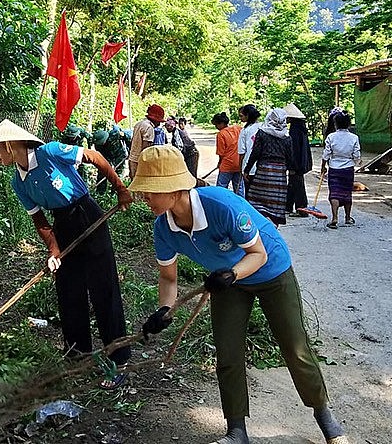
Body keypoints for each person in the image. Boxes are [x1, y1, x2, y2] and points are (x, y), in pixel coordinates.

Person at [130, 145, 349, 444]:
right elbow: (168, 277)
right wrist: (164, 310)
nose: (144, 197)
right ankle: (236, 432)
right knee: (228, 353)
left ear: (174, 188)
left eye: (151, 190)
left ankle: (326, 420)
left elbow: (257, 254)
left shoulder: (221, 206)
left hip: (270, 269)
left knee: (295, 348)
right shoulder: (163, 229)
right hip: (227, 281)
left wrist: (232, 274)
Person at [0, 120, 132, 386]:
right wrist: (54, 250)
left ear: (11, 145)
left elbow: (96, 157)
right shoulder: (18, 183)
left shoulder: (51, 152)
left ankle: (119, 358)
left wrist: (120, 189)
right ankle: (77, 357)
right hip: (62, 225)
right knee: (69, 292)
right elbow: (40, 221)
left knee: (103, 289)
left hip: (87, 215)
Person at [244, 108, 294, 227]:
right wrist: (289, 172)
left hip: (263, 172)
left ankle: (261, 225)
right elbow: (290, 158)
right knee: (275, 202)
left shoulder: (262, 133)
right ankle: (273, 227)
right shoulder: (287, 138)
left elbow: (255, 153)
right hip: (279, 174)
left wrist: (247, 170)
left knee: (257, 200)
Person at [321, 112, 361, 229]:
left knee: (334, 193)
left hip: (334, 168)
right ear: (348, 124)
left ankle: (334, 218)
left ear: (335, 124)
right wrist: (356, 161)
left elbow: (326, 154)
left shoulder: (331, 137)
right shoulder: (354, 138)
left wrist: (323, 166)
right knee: (347, 192)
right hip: (348, 169)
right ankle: (348, 218)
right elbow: (357, 155)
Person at [284, 104, 313, 216]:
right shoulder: (300, 128)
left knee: (297, 185)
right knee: (293, 184)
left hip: (297, 163)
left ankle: (302, 209)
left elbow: (295, 150)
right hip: (301, 162)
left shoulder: (295, 131)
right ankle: (289, 206)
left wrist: (292, 166)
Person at [129, 104, 165, 178]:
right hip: (140, 162)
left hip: (132, 159)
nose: (159, 124)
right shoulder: (149, 128)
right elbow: (146, 150)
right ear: (155, 119)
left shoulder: (139, 124)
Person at [212, 112, 242, 193]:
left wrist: (219, 163)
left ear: (221, 123)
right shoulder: (238, 129)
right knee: (239, 188)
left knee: (221, 188)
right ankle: (240, 204)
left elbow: (221, 153)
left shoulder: (221, 134)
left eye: (216, 125)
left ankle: (220, 204)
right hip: (240, 164)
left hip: (227, 165)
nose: (216, 127)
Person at [92, 127, 128, 193]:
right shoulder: (97, 145)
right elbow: (101, 156)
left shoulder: (115, 134)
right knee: (102, 172)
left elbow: (127, 137)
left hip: (119, 155)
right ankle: (100, 192)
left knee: (117, 174)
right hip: (106, 156)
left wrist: (130, 149)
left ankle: (115, 192)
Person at [236, 105, 261, 197]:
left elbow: (242, 152)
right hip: (262, 166)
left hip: (249, 167)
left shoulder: (245, 131)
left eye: (241, 116)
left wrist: (240, 169)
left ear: (247, 116)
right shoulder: (263, 127)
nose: (240, 118)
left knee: (249, 193)